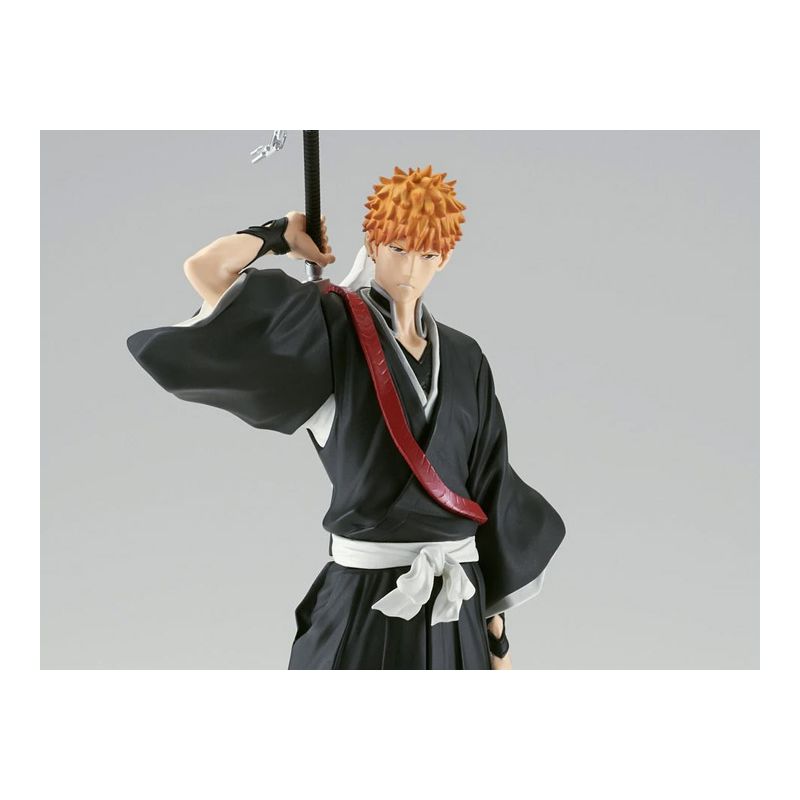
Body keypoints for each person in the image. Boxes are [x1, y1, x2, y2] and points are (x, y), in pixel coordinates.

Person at [127, 164, 566, 669]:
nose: (410, 269)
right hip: (366, 598)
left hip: (459, 601)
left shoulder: (466, 357)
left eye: (427, 255)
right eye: (398, 248)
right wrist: (278, 235)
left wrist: (496, 638)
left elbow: (491, 487)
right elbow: (206, 271)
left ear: (444, 259)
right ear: (373, 245)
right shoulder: (329, 328)